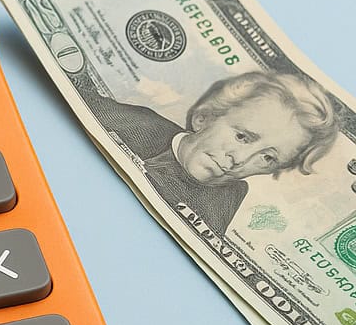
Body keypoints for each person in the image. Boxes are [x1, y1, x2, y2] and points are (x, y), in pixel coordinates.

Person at [75, 69, 339, 232]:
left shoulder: (226, 201)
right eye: (242, 136)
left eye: (267, 158)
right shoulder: (133, 122)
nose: (239, 160)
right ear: (205, 117)